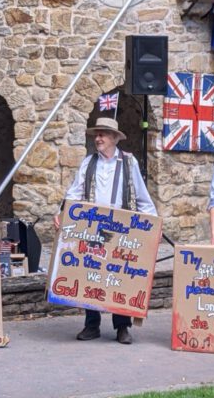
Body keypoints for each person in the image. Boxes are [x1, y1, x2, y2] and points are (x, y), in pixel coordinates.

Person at [54, 116, 157, 345]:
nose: (98, 138)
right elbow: (75, 192)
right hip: (93, 228)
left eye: (102, 134)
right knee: (92, 275)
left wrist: (153, 226)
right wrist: (63, 212)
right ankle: (92, 325)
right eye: (96, 135)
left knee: (118, 276)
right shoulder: (88, 163)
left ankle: (122, 327)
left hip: (121, 229)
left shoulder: (129, 163)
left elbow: (142, 197)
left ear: (114, 138)